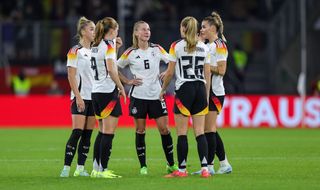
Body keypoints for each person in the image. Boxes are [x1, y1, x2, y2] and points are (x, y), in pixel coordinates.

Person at [117, 21, 178, 175]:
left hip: (157, 95)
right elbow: (114, 68)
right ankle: (143, 166)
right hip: (138, 97)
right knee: (140, 130)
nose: (147, 32)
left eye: (149, 29)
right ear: (136, 33)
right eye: (144, 29)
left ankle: (171, 164)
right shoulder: (130, 53)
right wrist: (127, 81)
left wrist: (168, 71)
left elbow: (173, 60)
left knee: (165, 129)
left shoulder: (157, 49)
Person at [160, 16, 212, 178]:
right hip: (200, 89)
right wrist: (207, 94)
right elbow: (208, 73)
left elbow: (169, 73)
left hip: (184, 89)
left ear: (183, 28)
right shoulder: (204, 47)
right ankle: (205, 169)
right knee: (200, 132)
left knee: (182, 132)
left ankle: (182, 170)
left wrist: (162, 89)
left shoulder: (177, 46)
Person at [192, 11, 232, 175]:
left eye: (204, 27)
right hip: (207, 91)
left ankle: (209, 166)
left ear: (213, 28)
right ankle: (223, 164)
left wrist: (206, 67)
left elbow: (222, 70)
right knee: (210, 129)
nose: (201, 29)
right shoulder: (209, 46)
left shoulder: (220, 45)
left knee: (209, 130)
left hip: (215, 92)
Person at [90, 17, 126, 179]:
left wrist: (116, 49)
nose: (118, 32)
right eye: (116, 29)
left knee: (102, 131)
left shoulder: (95, 46)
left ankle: (95, 169)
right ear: (112, 31)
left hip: (96, 92)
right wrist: (120, 86)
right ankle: (104, 170)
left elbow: (106, 65)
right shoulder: (108, 45)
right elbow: (111, 69)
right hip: (107, 92)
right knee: (109, 133)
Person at [60, 17, 96, 177]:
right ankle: (66, 168)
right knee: (77, 132)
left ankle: (80, 168)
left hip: (93, 98)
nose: (94, 32)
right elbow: (71, 75)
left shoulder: (96, 51)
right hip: (80, 97)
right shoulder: (75, 51)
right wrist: (78, 97)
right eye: (91, 29)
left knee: (88, 135)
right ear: (83, 32)